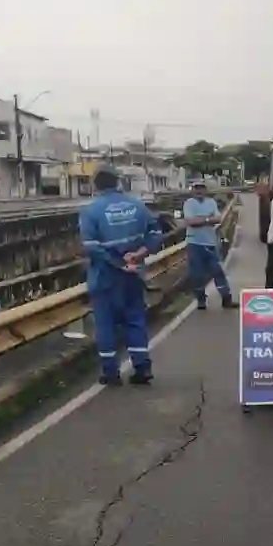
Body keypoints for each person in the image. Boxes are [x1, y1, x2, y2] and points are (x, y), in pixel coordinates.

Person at [79, 163, 163, 385]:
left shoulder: (91, 211)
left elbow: (91, 246)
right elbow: (155, 234)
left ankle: (110, 372)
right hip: (134, 275)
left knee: (105, 325)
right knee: (135, 320)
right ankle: (142, 367)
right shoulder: (137, 206)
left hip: (105, 278)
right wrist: (137, 255)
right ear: (118, 182)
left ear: (94, 185)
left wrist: (118, 262)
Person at [183, 182, 237, 310]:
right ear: (193, 190)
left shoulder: (211, 202)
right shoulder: (188, 203)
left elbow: (218, 219)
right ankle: (201, 300)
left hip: (211, 243)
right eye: (196, 188)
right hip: (194, 243)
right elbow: (190, 222)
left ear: (206, 190)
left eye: (201, 188)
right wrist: (208, 219)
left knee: (217, 271)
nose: (199, 191)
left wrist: (201, 219)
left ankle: (226, 298)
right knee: (196, 274)